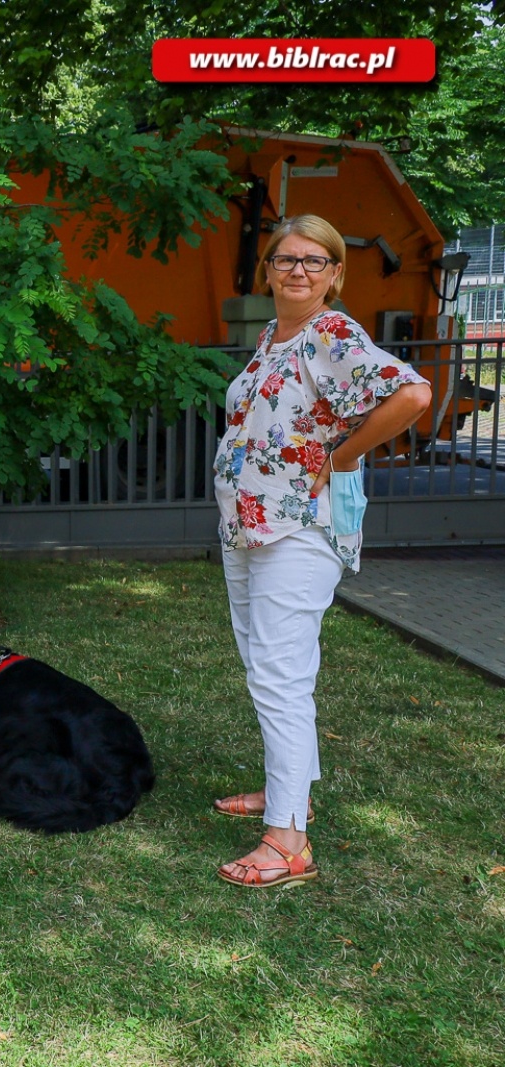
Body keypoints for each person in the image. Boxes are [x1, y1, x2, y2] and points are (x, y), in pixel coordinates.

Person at [211, 214, 431, 888]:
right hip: (251, 528)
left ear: (335, 273)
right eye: (285, 259)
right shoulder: (275, 337)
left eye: (314, 260)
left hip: (298, 529)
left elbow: (413, 393)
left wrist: (342, 455)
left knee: (279, 673)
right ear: (268, 270)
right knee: (270, 665)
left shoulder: (330, 333)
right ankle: (290, 793)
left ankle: (288, 842)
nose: (298, 270)